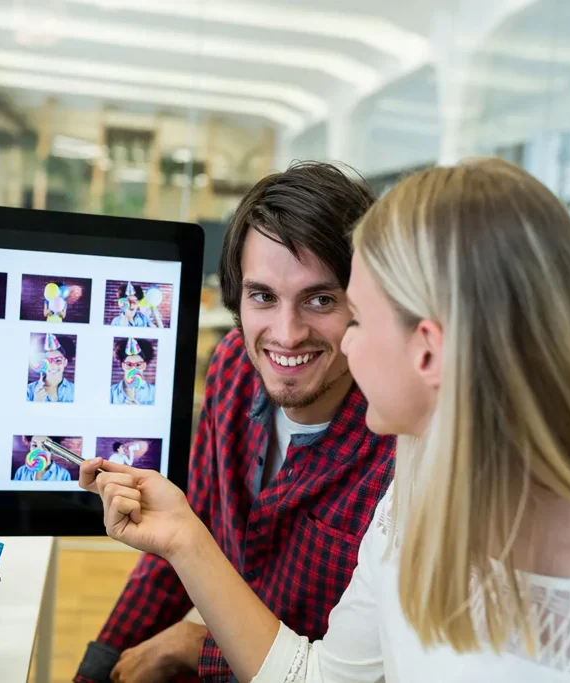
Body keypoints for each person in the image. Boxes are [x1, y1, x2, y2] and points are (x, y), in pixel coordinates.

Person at [82, 159, 570, 683]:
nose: (342, 340)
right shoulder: (417, 495)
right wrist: (183, 539)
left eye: (352, 309)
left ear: (429, 348)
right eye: (264, 296)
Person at [75, 161, 394, 683]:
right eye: (263, 296)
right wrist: (99, 665)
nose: (287, 335)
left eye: (320, 299)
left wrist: (198, 644)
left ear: (366, 304)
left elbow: (347, 669)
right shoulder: (232, 369)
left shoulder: (395, 454)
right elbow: (184, 534)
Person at [27, 333, 76, 403]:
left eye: (58, 360)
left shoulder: (75, 390)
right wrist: (36, 402)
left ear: (65, 362)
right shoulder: (28, 390)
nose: (53, 366)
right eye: (48, 360)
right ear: (41, 362)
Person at [109, 338, 156, 406]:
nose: (133, 369)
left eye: (138, 365)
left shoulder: (154, 392)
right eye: (129, 364)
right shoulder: (111, 392)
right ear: (123, 365)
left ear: (144, 366)